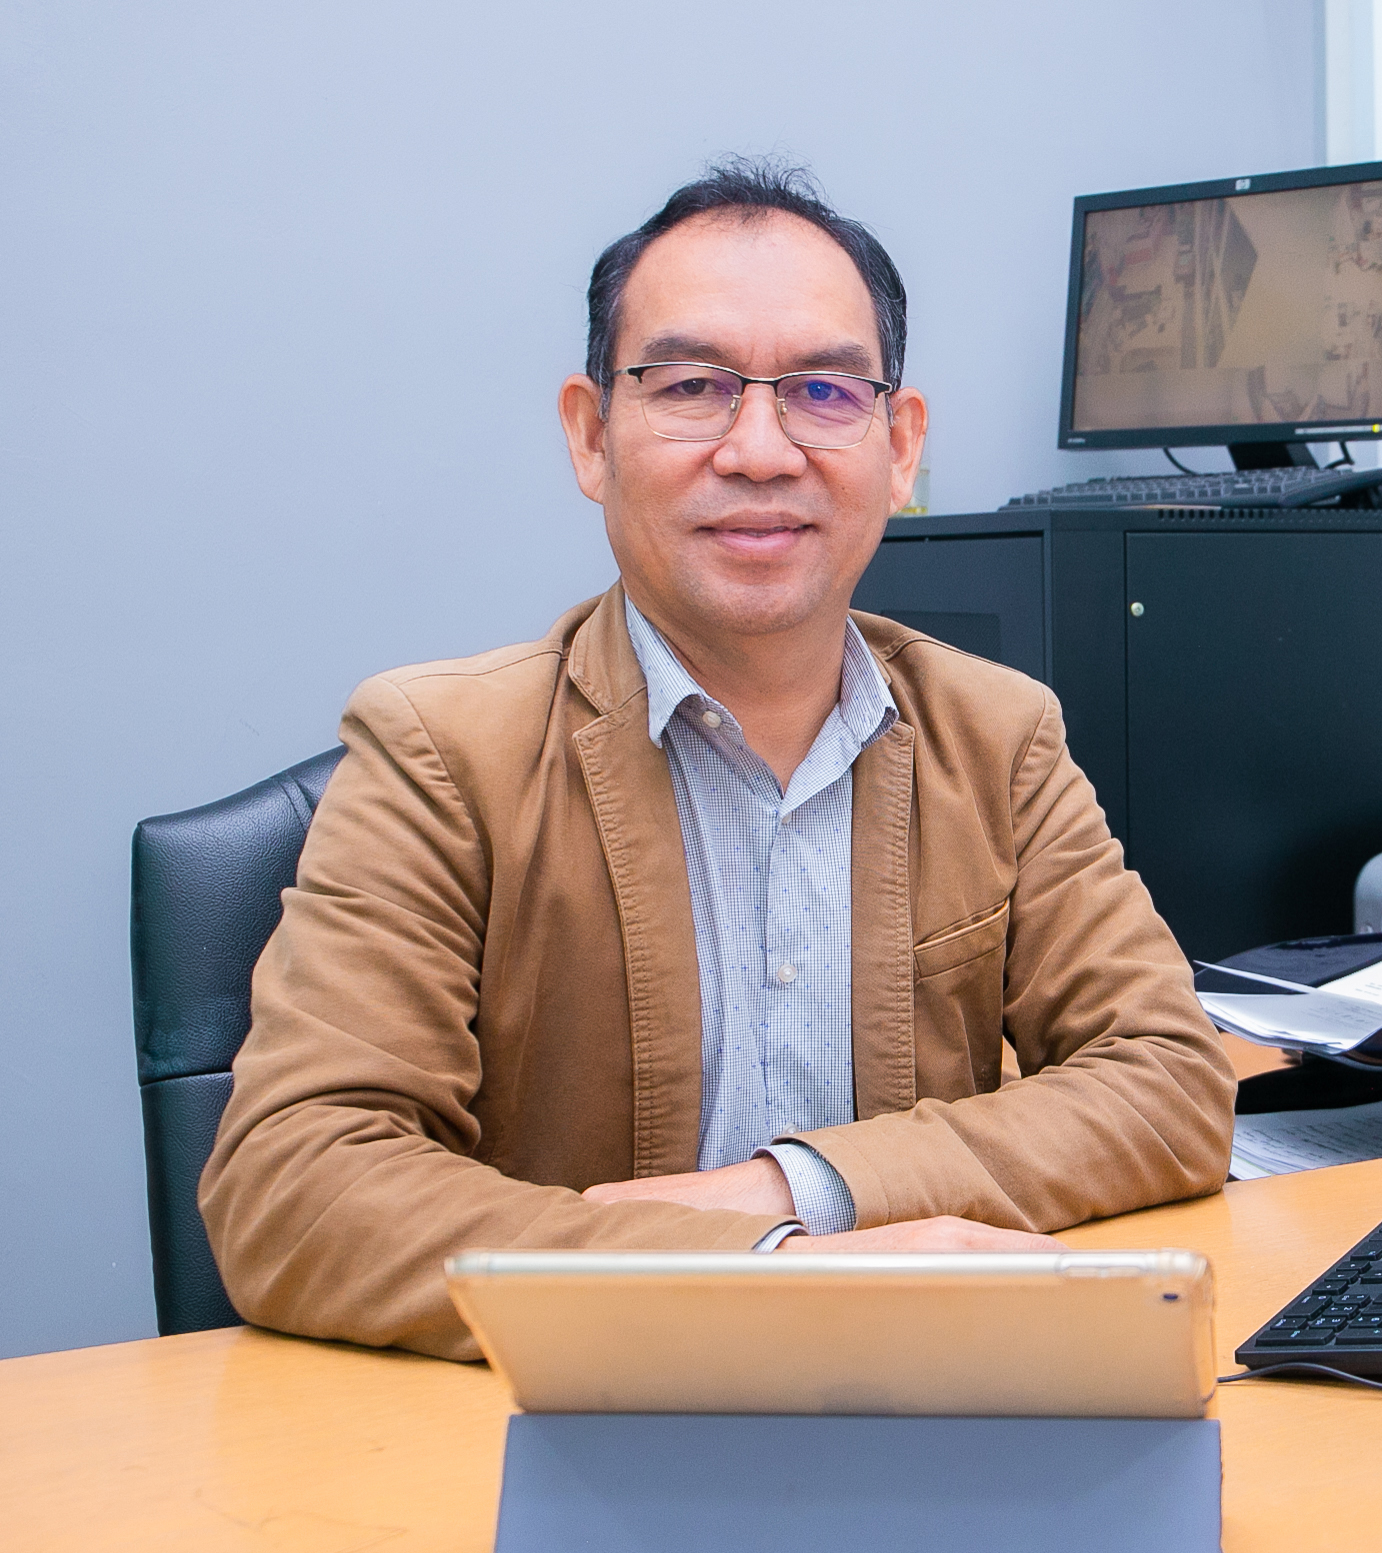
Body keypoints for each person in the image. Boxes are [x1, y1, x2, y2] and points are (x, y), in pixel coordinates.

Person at [200, 159, 1235, 1361]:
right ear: (591, 435)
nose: (758, 450)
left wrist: (793, 1186)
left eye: (823, 392)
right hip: (583, 1418)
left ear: (898, 446)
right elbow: (295, 1181)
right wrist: (766, 1269)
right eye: (691, 385)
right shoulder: (439, 755)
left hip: (923, 1395)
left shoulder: (996, 736)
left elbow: (1167, 1078)